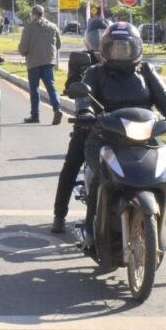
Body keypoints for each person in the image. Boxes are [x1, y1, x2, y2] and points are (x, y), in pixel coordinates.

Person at [76, 22, 166, 285]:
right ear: (105, 49)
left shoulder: (146, 71)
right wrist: (85, 112)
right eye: (115, 47)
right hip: (105, 138)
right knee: (101, 182)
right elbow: (83, 98)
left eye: (126, 47)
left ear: (136, 49)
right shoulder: (95, 72)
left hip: (146, 139)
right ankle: (90, 233)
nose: (121, 52)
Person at [50, 18, 107, 234]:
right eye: (95, 37)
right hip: (87, 124)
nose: (99, 41)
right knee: (71, 166)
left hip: (115, 124)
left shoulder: (122, 61)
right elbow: (69, 85)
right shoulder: (82, 60)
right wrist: (76, 83)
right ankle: (59, 215)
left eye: (104, 36)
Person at [18, 5, 63, 125]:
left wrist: (24, 52)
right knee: (51, 87)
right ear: (43, 14)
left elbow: (23, 49)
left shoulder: (29, 28)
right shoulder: (53, 26)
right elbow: (58, 45)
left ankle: (35, 115)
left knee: (35, 89)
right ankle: (57, 109)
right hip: (48, 62)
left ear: (33, 14)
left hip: (33, 63)